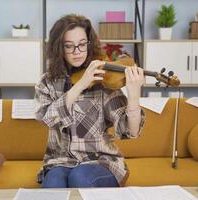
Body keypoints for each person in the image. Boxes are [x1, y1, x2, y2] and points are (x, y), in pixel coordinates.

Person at [34, 14, 146, 188]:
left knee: (80, 177)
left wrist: (133, 94)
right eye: (69, 46)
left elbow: (131, 131)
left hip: (101, 162)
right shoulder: (46, 82)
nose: (77, 51)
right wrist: (81, 85)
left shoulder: (103, 79)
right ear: (58, 48)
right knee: (53, 185)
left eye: (82, 44)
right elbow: (46, 118)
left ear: (89, 42)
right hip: (60, 161)